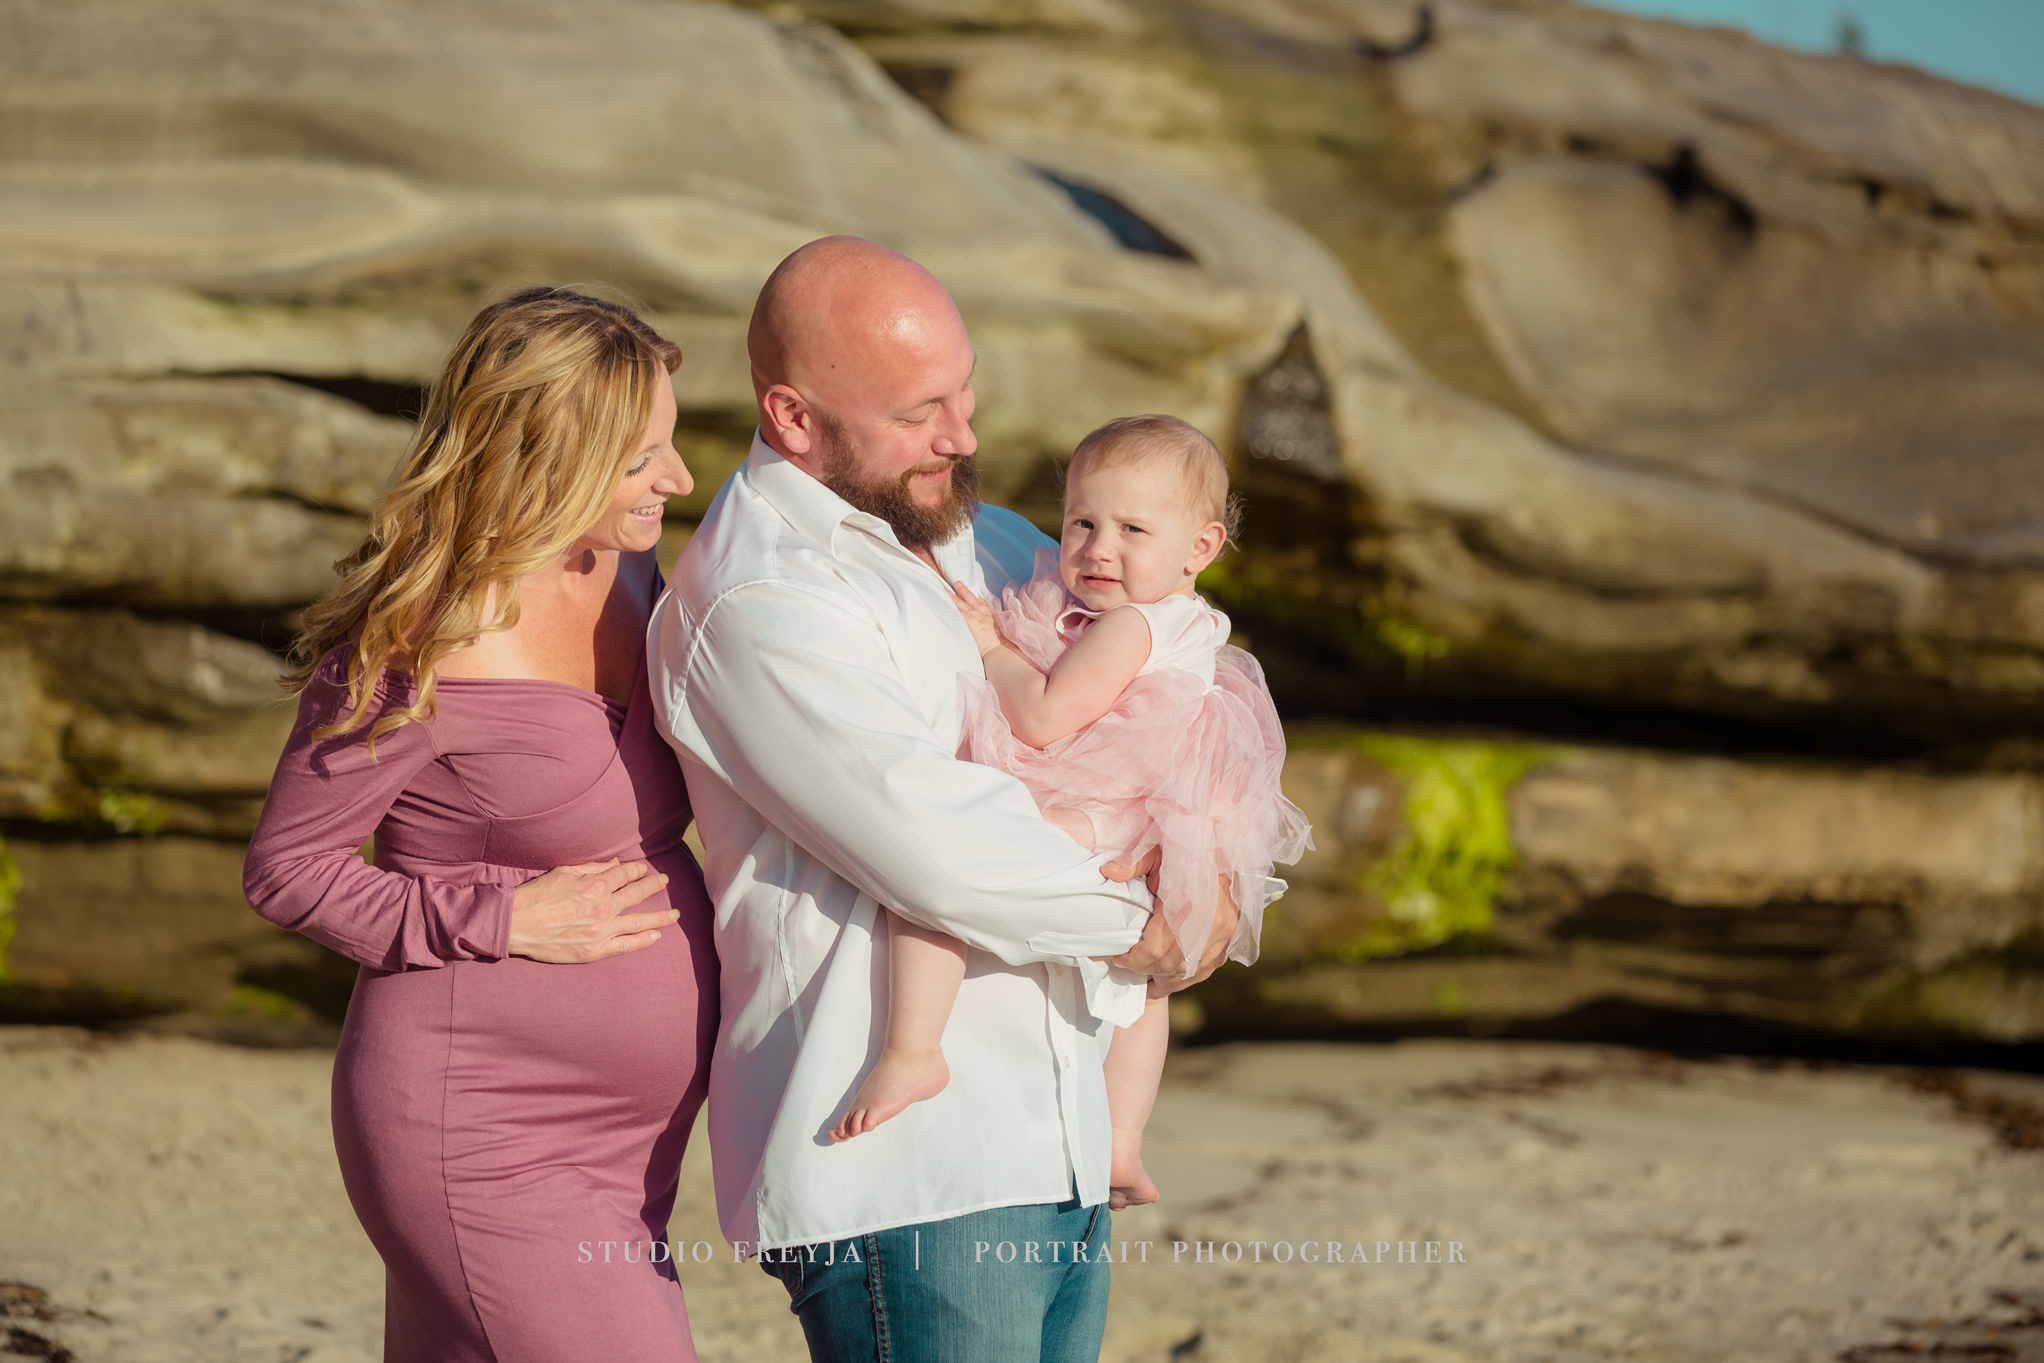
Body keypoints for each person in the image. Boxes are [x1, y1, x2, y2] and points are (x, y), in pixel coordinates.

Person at [648, 237, 1247, 1363]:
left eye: (965, 393)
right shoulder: (762, 596)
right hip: (914, 1176)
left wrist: (1213, 863)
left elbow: (1162, 688)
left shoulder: (980, 534)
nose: (962, 436)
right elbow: (943, 850)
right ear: (792, 418)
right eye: (924, 409)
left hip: (1061, 1131)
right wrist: (1156, 921)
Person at [243, 288, 718, 1363]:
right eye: (645, 457)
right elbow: (288, 870)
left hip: (629, 1145)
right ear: (542, 456)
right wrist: (501, 917)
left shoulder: (630, 572)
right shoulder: (420, 638)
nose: (679, 478)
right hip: (479, 1128)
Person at [830, 415, 1311, 1210]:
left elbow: (1047, 716)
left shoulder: (1131, 624)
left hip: (1105, 801)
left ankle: (914, 1047)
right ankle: (1122, 1142)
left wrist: (989, 645)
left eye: (1131, 529)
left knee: (944, 865)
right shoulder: (1185, 617)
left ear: (1200, 548)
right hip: (1142, 807)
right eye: (1082, 522)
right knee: (1147, 991)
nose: (1097, 548)